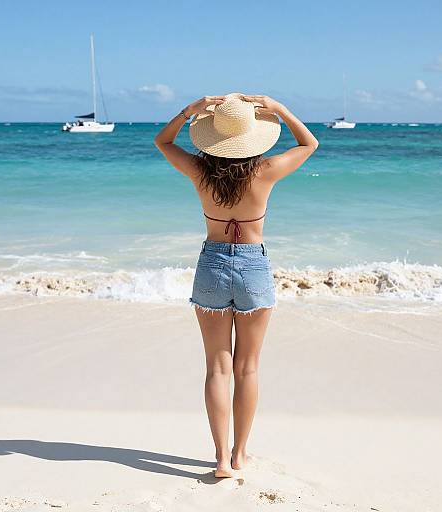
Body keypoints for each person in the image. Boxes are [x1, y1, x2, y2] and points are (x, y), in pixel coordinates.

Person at [155, 93, 318, 478]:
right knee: (247, 368)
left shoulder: (199, 172)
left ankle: (220, 459)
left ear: (213, 138)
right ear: (252, 137)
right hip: (253, 267)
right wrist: (279, 108)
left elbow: (162, 141)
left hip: (211, 264)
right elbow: (310, 143)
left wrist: (188, 111)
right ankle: (241, 454)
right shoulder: (267, 170)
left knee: (217, 367)